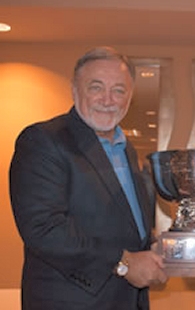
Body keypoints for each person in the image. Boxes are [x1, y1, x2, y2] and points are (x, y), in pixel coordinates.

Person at [9, 46, 167, 310]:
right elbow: (44, 228)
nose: (108, 100)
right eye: (96, 87)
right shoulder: (44, 140)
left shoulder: (126, 149)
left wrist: (159, 249)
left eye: (119, 90)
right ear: (74, 89)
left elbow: (123, 225)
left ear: (130, 96)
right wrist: (124, 262)